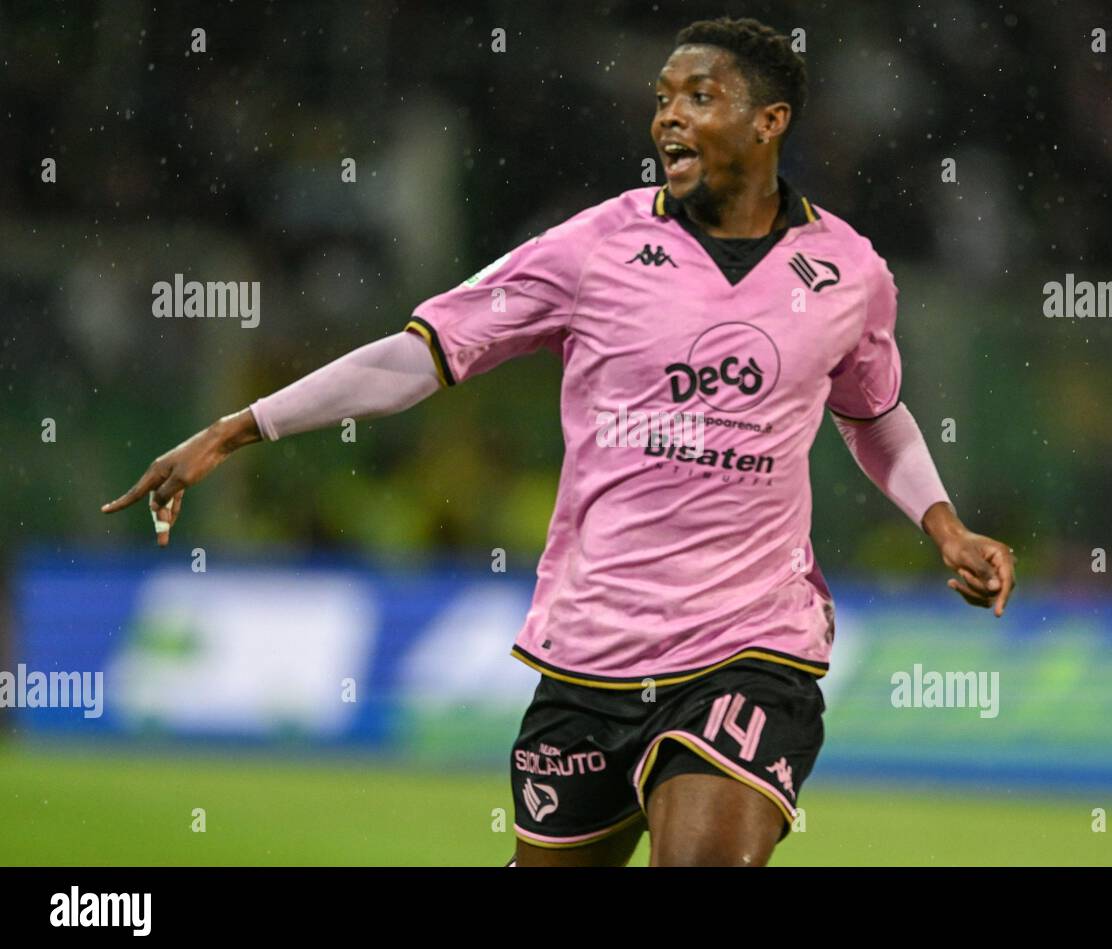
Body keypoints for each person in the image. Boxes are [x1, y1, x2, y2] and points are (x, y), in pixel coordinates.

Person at [102, 16, 1016, 867]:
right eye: (662, 97)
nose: (669, 117)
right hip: (591, 653)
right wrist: (239, 426)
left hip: (753, 642)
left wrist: (945, 529)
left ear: (770, 120)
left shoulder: (851, 272)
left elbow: (875, 415)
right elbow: (418, 358)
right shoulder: (593, 248)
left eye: (700, 96)